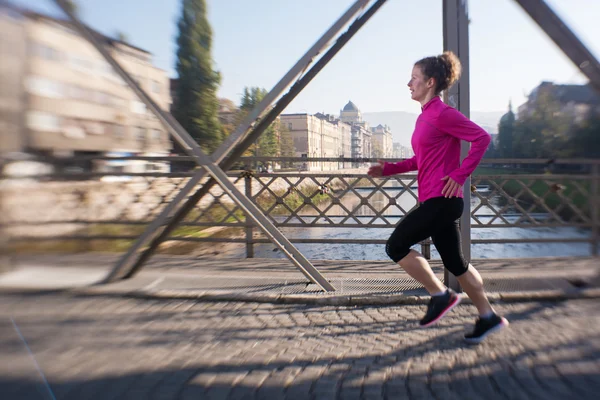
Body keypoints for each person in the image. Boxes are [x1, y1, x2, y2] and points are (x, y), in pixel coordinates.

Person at [368, 51, 508, 344]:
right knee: (457, 264)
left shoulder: (443, 114)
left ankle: (440, 294)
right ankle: (488, 317)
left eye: (414, 78)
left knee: (396, 246)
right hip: (436, 200)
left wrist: (459, 175)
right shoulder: (424, 118)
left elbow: (482, 138)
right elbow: (420, 160)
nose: (409, 83)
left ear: (430, 82)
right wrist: (388, 170)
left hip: (442, 201)